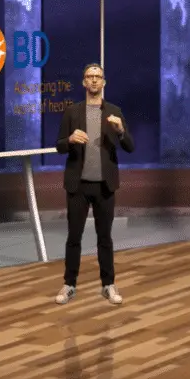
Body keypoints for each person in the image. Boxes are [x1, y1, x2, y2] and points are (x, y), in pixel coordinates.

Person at [54, 63, 134, 305]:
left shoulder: (114, 112)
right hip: (78, 185)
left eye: (98, 77)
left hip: (104, 186)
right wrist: (70, 139)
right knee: (74, 237)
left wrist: (120, 131)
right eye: (90, 76)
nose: (94, 80)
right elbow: (59, 146)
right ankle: (69, 285)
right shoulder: (72, 112)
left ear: (104, 82)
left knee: (105, 238)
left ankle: (108, 285)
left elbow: (130, 146)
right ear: (84, 82)